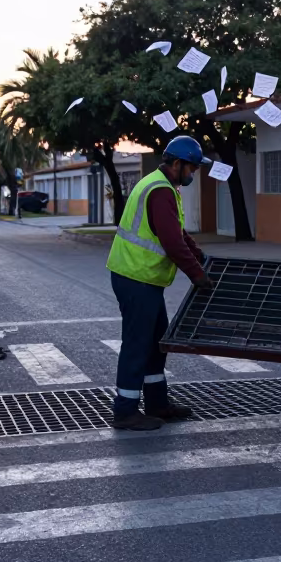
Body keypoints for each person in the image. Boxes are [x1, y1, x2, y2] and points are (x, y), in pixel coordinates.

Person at [106, 135, 215, 430]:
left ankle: (157, 403)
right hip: (135, 277)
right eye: (191, 168)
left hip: (143, 279)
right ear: (177, 164)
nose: (193, 174)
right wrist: (197, 274)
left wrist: (201, 256)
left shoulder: (164, 186)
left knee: (157, 344)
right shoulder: (160, 190)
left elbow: (178, 234)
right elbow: (171, 243)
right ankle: (125, 411)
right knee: (138, 344)